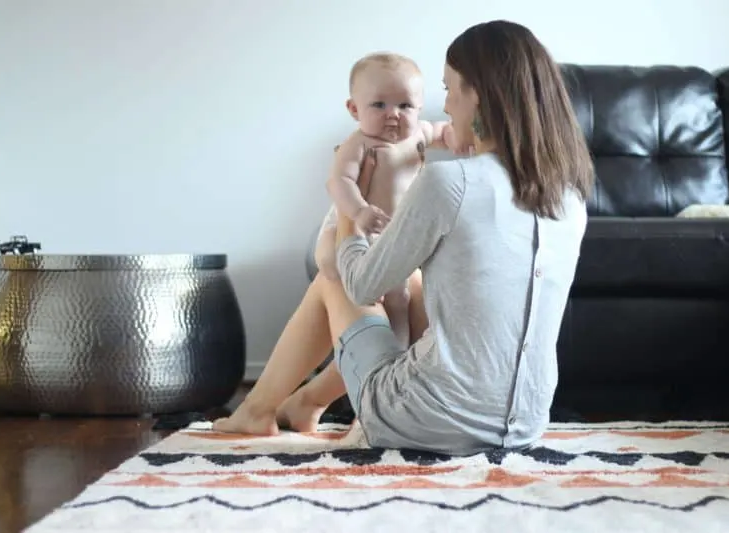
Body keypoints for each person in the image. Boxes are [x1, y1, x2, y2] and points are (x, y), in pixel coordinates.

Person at [213, 19, 595, 456]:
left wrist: (349, 211)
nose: (445, 105)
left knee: (334, 278)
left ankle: (257, 409)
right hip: (527, 423)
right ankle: (303, 403)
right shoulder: (570, 197)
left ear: (477, 93)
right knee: (412, 285)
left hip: (424, 419)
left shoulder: (451, 182)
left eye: (449, 88)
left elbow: (361, 285)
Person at [315, 51, 467, 348]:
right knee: (330, 261)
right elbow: (339, 182)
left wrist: (453, 137)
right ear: (354, 109)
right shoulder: (358, 144)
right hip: (357, 222)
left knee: (399, 296)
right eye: (379, 105)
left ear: (419, 107)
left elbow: (441, 131)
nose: (393, 114)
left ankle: (396, 351)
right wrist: (359, 211)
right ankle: (348, 307)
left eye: (405, 105)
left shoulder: (419, 133)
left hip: (393, 232)